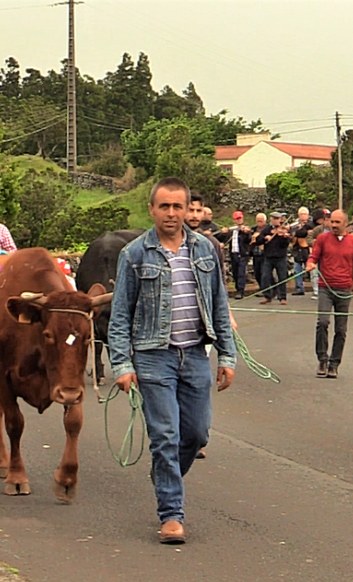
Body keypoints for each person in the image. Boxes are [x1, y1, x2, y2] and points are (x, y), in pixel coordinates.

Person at [109, 177, 236, 544]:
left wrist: (227, 355)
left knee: (196, 433)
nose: (171, 213)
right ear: (151, 209)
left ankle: (165, 474)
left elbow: (219, 305)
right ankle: (171, 515)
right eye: (164, 206)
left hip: (195, 354)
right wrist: (122, 364)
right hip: (153, 356)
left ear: (188, 210)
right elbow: (120, 314)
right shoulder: (134, 254)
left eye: (177, 206)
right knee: (165, 435)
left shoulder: (205, 250)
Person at [306, 210, 353, 378]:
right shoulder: (322, 239)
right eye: (331, 221)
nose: (333, 225)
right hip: (325, 288)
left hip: (344, 289)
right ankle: (322, 359)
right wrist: (310, 264)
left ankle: (334, 363)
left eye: (337, 222)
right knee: (323, 322)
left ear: (345, 223)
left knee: (341, 329)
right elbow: (313, 256)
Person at [259, 212, 291, 305]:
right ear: (271, 220)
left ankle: (282, 297)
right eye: (275, 219)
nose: (277, 221)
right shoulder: (267, 229)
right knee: (265, 276)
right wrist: (265, 238)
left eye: (278, 219)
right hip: (268, 257)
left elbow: (286, 244)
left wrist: (284, 238)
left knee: (282, 277)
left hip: (281, 257)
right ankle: (267, 296)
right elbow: (258, 240)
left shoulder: (283, 229)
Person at [225, 211, 251, 299]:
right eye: (237, 219)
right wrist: (224, 232)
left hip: (243, 254)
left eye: (240, 218)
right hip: (233, 253)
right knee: (235, 272)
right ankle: (237, 289)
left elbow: (249, 240)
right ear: (234, 220)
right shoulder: (232, 230)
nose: (239, 220)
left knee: (241, 272)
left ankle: (240, 291)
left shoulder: (246, 229)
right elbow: (223, 238)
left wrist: (246, 233)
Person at [290, 207, 312, 296]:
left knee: (312, 270)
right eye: (301, 214)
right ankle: (299, 288)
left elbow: (308, 234)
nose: (303, 216)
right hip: (297, 248)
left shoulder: (311, 224)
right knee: (297, 270)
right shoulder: (294, 225)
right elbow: (292, 236)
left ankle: (317, 289)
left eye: (305, 214)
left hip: (307, 249)